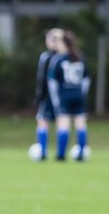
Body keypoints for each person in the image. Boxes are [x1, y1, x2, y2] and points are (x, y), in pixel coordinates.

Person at [48, 30, 90, 161]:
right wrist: (82, 93)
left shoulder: (58, 59)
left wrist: (55, 99)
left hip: (64, 96)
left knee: (63, 124)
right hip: (78, 95)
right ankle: (81, 153)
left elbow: (52, 81)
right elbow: (86, 79)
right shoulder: (80, 58)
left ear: (64, 43)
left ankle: (61, 155)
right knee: (81, 124)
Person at [32, 28, 62, 161]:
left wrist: (38, 96)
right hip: (63, 98)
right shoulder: (69, 56)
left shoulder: (46, 57)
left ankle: (43, 152)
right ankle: (60, 154)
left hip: (49, 97)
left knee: (43, 122)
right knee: (62, 123)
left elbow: (41, 78)